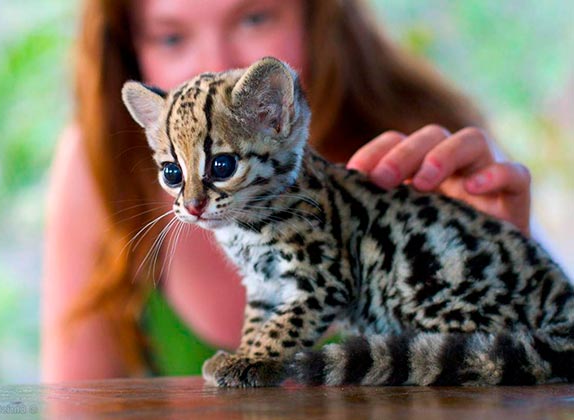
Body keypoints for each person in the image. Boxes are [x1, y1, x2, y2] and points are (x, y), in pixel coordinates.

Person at [41, 0, 532, 382]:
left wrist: (495, 259)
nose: (216, 63)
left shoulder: (433, 144)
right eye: (171, 36)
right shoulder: (100, 167)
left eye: (254, 17)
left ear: (317, 13)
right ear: (130, 46)